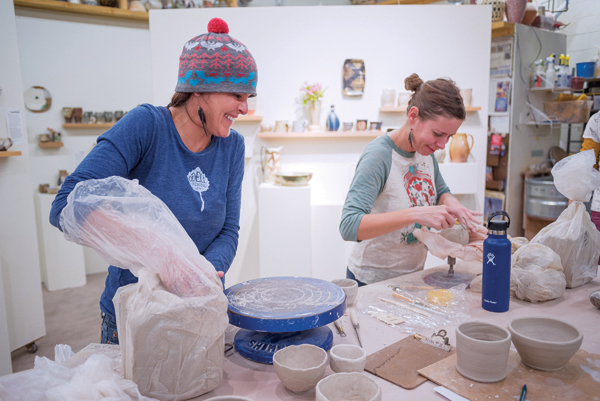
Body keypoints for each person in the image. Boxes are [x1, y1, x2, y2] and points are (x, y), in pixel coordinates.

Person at [49, 18, 257, 344]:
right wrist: (165, 256)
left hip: (198, 304)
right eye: (237, 94)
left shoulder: (233, 146)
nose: (245, 108)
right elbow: (66, 204)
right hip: (137, 308)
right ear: (198, 89)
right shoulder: (147, 126)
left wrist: (199, 275)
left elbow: (229, 231)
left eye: (249, 96)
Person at [340, 73, 481, 286]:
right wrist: (417, 213)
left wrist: (452, 203)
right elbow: (349, 225)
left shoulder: (425, 152)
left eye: (449, 137)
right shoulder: (379, 156)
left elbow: (441, 190)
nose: (443, 145)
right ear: (413, 116)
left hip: (412, 276)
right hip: (371, 282)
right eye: (437, 133)